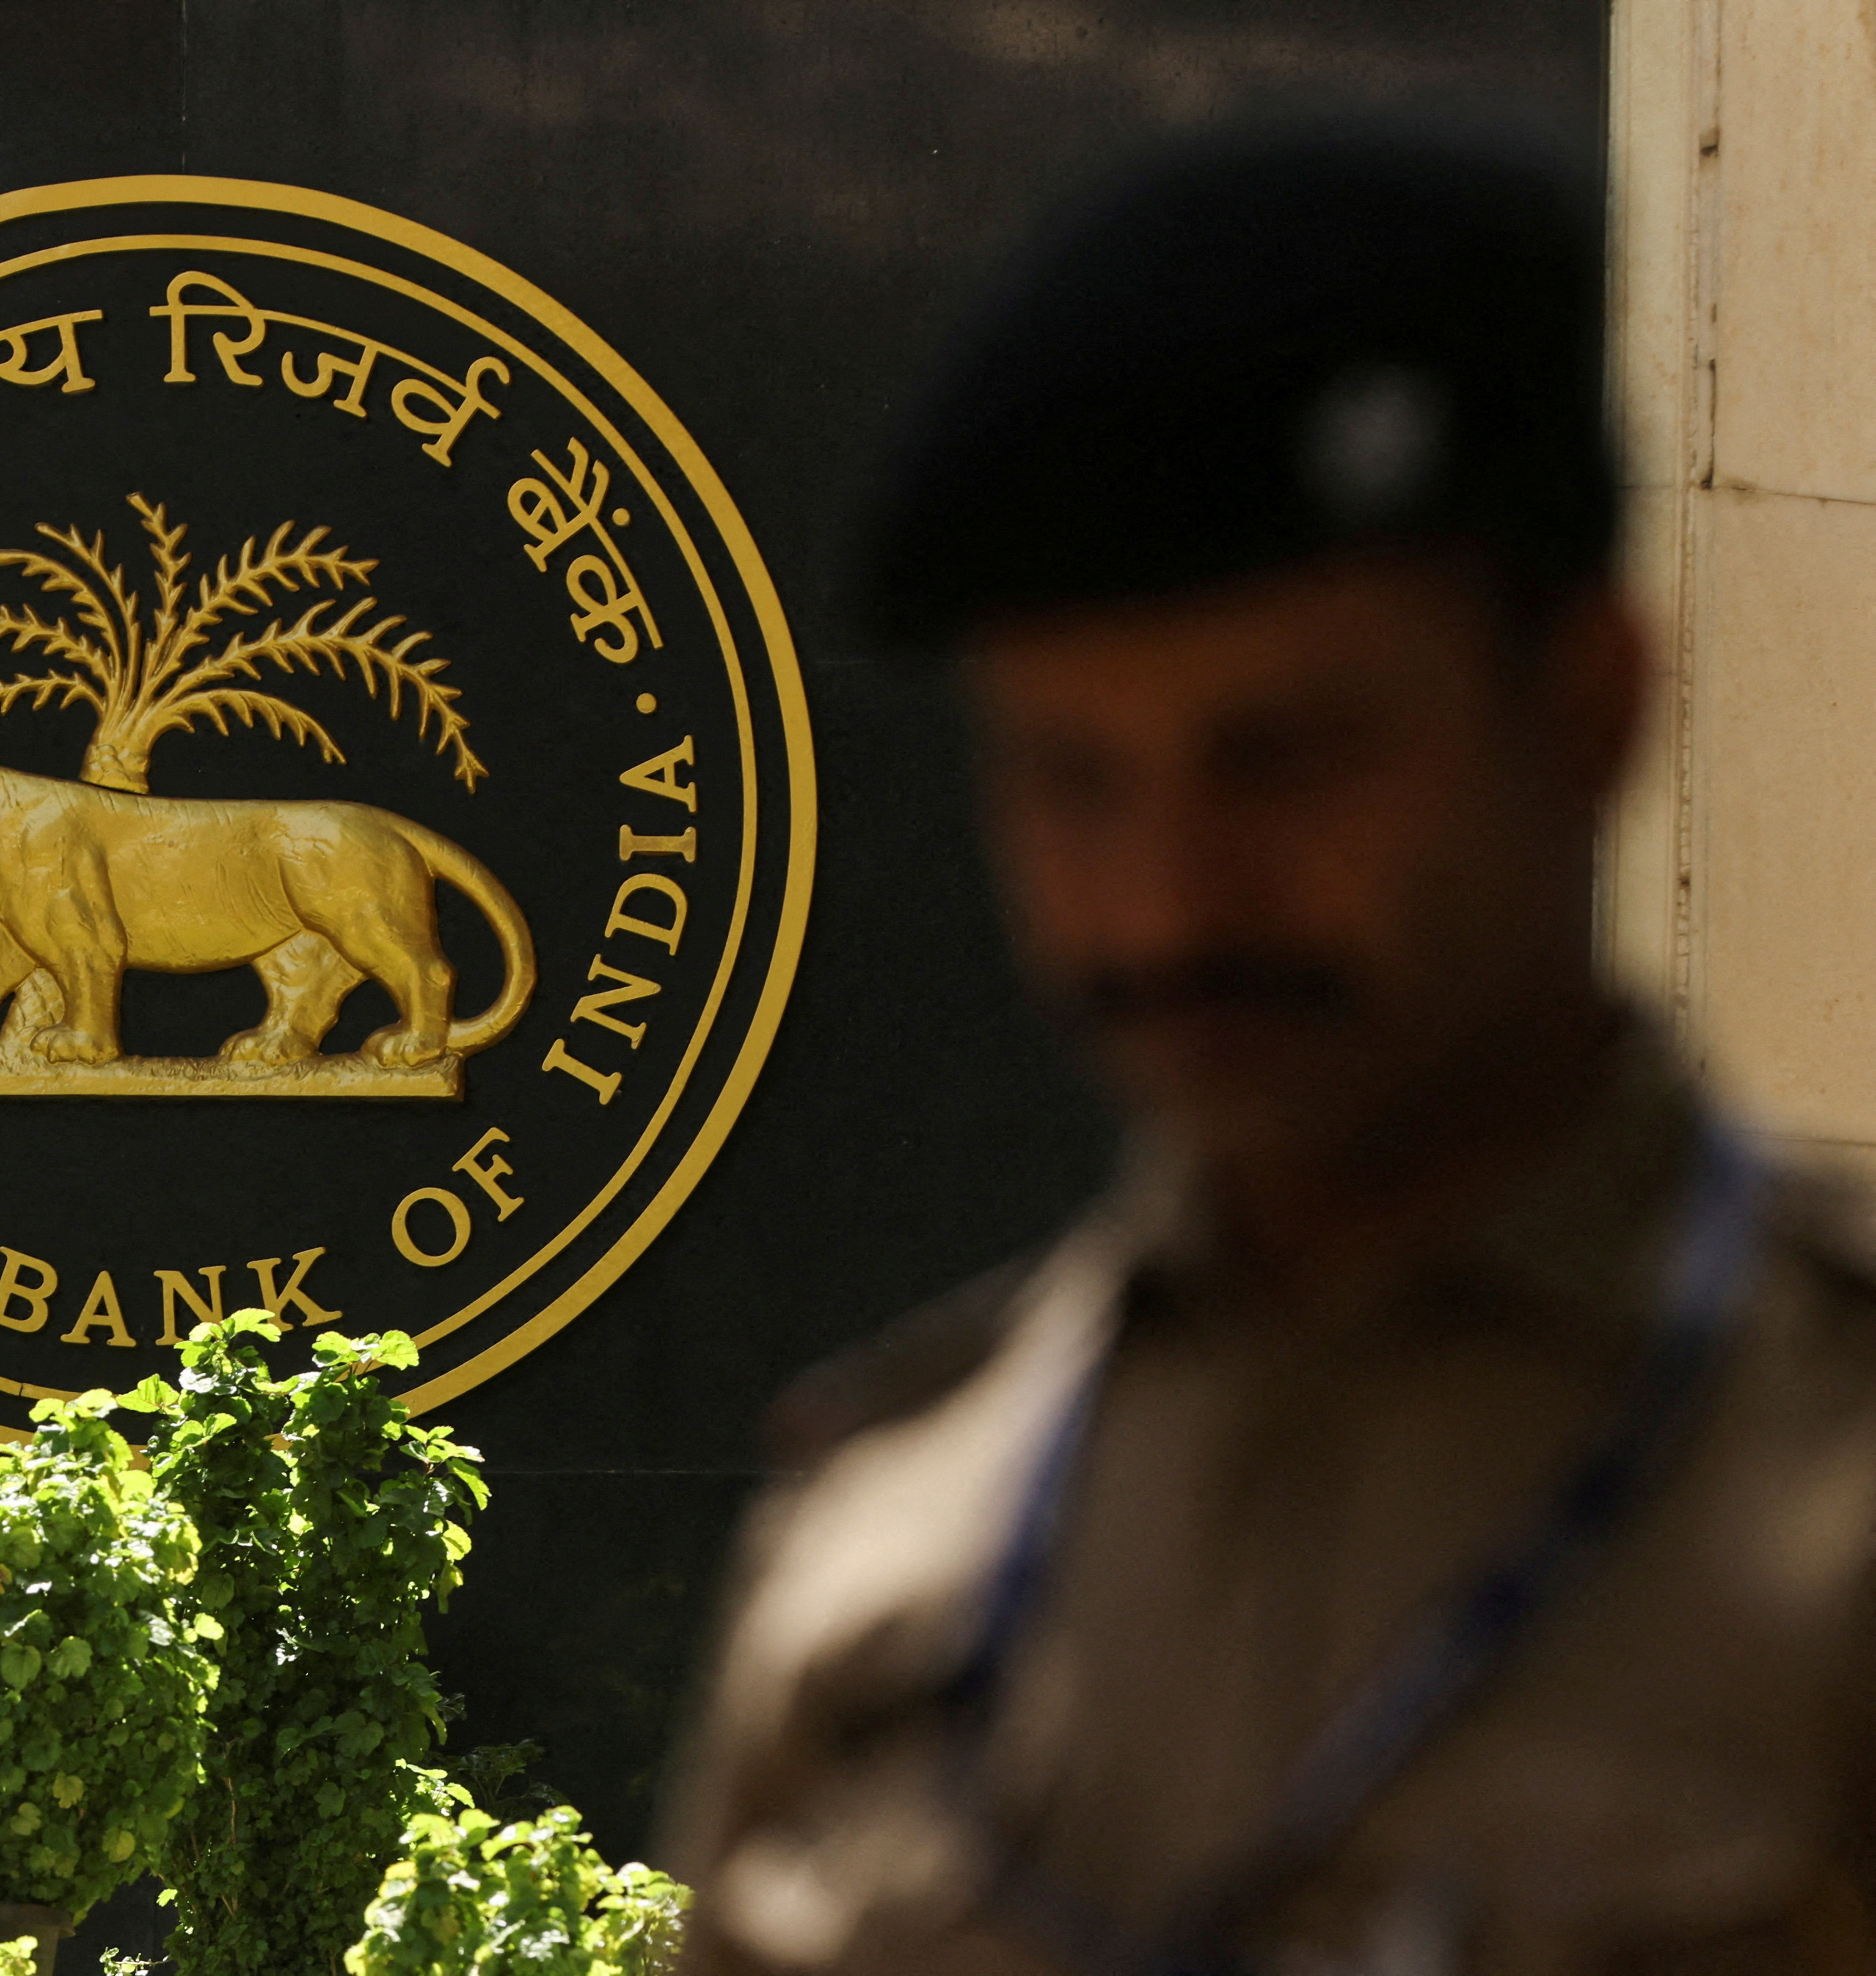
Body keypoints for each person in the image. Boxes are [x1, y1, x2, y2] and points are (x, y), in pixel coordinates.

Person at [661, 114, 1876, 1975]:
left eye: (1287, 759)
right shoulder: (880, 1563)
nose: (1166, 908)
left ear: (1591, 709)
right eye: (1074, 781)